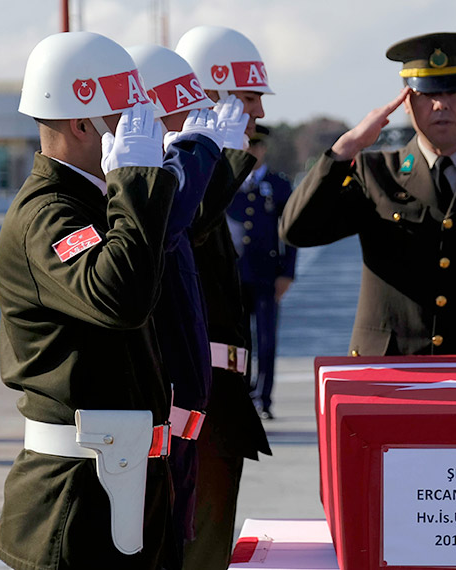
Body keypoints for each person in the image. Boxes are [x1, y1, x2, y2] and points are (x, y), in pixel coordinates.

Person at [0, 31, 191, 569]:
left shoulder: (91, 200)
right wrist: (134, 180)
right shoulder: (50, 215)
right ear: (84, 124)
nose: (138, 123)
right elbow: (121, 298)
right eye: (125, 113)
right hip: (76, 496)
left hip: (123, 482)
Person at [281, 32, 456, 356]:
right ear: (406, 102)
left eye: (453, 91)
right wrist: (345, 150)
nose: (440, 104)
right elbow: (296, 230)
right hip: (389, 377)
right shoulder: (375, 173)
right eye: (427, 93)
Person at [127, 43, 251, 566]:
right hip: (159, 424)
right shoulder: (136, 203)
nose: (255, 113)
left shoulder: (181, 182)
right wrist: (204, 164)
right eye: (190, 112)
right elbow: (176, 231)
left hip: (196, 409)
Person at [175, 25, 273, 570]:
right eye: (247, 97)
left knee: (210, 546)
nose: (257, 111)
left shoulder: (212, 176)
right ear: (210, 98)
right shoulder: (183, 178)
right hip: (195, 399)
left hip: (220, 395)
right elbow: (183, 233)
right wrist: (219, 162)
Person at [226, 124, 297, 420]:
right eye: (247, 144)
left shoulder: (278, 185)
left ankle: (263, 398)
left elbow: (290, 232)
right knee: (237, 341)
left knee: (267, 340)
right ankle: (238, 393)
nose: (252, 150)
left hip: (268, 274)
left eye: (256, 145)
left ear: (263, 148)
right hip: (235, 274)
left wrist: (287, 273)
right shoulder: (228, 181)